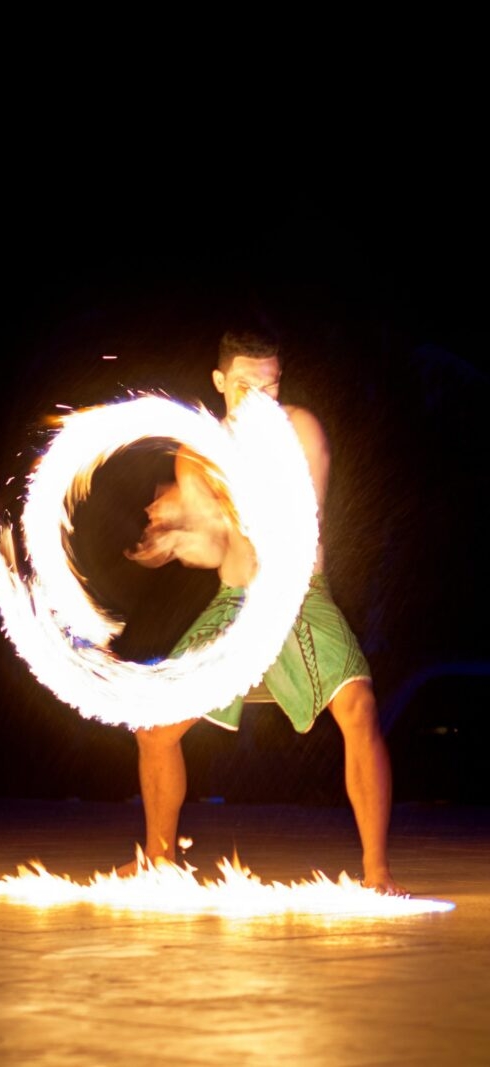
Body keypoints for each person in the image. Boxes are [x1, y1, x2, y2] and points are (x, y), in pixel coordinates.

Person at [117, 327, 406, 895]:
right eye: (247, 386)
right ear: (221, 382)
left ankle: (377, 873)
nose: (261, 400)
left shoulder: (299, 430)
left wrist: (214, 507)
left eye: (270, 387)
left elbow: (293, 514)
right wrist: (174, 541)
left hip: (299, 596)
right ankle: (158, 859)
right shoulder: (197, 453)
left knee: (359, 707)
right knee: (153, 728)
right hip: (235, 604)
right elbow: (215, 547)